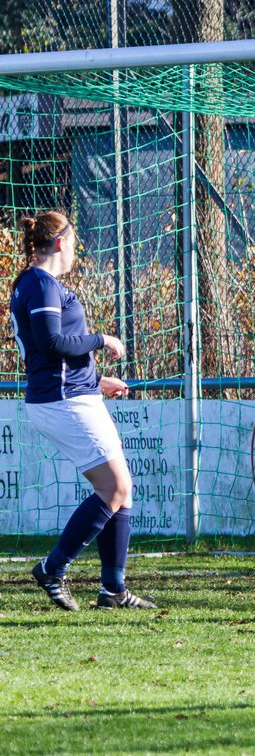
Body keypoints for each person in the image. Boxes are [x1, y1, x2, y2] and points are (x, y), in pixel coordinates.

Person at [11, 211, 155, 611]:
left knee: (119, 488)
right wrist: (101, 339)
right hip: (62, 403)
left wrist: (95, 381)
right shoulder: (40, 284)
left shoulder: (40, 284)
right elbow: (52, 342)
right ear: (60, 243)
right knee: (115, 488)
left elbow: (52, 355)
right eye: (73, 243)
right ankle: (53, 569)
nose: (75, 251)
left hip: (73, 395)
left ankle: (113, 590)